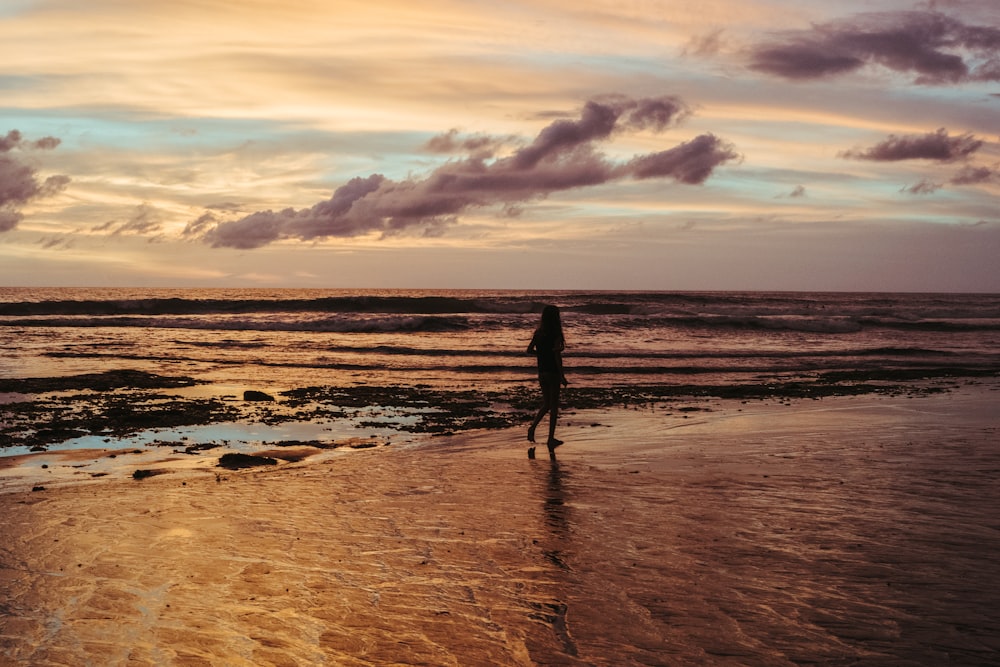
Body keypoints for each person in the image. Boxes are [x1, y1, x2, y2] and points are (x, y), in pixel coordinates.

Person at [526, 304, 568, 457]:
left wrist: (541, 354)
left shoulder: (538, 333)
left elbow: (529, 350)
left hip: (542, 372)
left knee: (546, 404)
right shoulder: (556, 333)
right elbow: (557, 357)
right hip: (553, 372)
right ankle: (550, 438)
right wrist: (562, 375)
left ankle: (532, 428)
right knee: (554, 406)